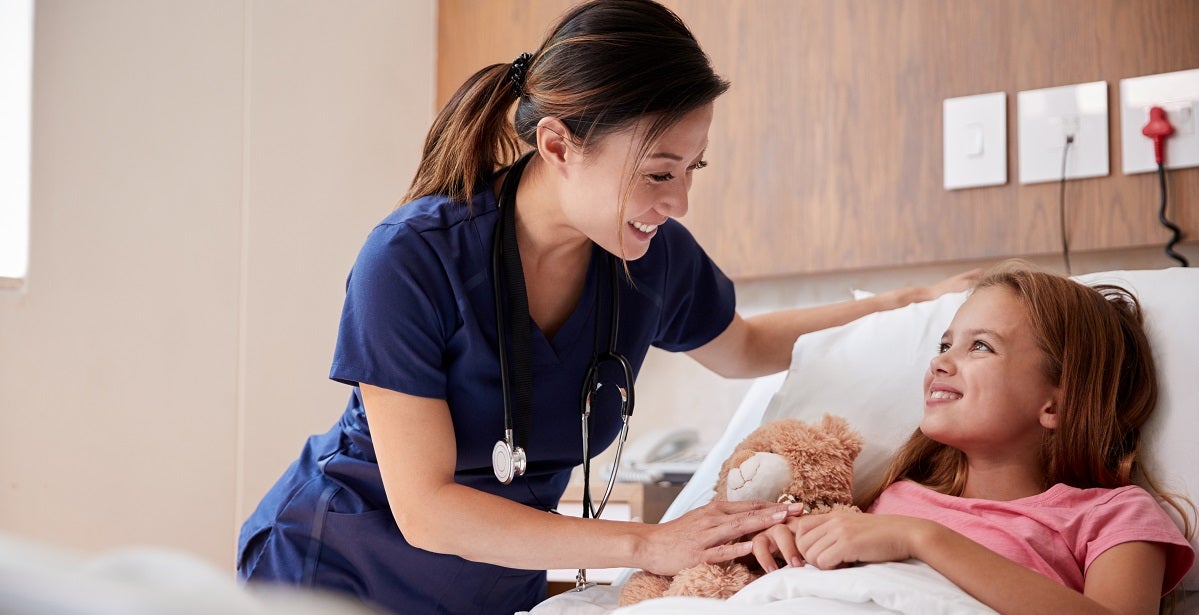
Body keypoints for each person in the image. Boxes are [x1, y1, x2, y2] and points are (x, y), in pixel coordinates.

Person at [236, 1, 979, 613]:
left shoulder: (652, 256)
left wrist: (907, 305)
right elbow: (426, 507)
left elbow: (744, 346)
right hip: (334, 572)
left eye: (693, 169)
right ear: (558, 144)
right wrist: (652, 543)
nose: (679, 200)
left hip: (492, 586)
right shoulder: (411, 258)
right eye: (659, 170)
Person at [749, 264, 1196, 615]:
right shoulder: (894, 498)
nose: (940, 364)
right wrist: (789, 548)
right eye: (944, 346)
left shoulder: (1112, 517)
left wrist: (923, 539)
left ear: (1055, 405)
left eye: (980, 346)